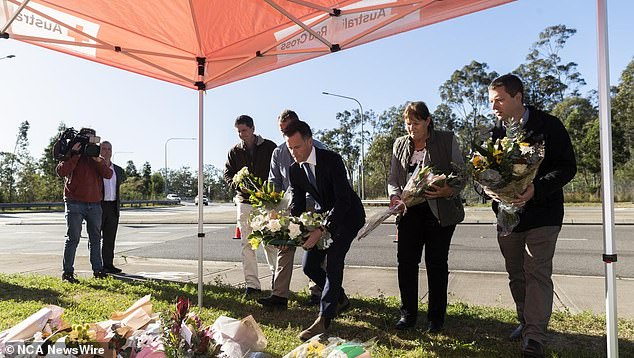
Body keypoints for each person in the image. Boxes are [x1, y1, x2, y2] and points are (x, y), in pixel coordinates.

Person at [488, 74, 577, 358]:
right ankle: (525, 321)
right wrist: (489, 189)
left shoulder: (549, 126)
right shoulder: (495, 133)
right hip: (508, 218)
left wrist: (535, 189)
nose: (494, 107)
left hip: (543, 215)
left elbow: (567, 167)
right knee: (516, 273)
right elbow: (486, 172)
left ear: (518, 96)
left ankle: (535, 337)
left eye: (499, 100)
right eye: (491, 102)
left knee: (537, 271)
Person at [387, 101, 466, 333]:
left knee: (437, 265)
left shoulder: (446, 139)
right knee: (406, 263)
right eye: (408, 124)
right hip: (409, 212)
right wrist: (395, 197)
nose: (411, 128)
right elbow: (393, 178)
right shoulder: (399, 144)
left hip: (439, 212)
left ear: (428, 121)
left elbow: (461, 175)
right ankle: (408, 314)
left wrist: (448, 190)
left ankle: (435, 318)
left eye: (416, 123)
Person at [284, 120, 365, 340]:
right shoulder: (294, 170)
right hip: (322, 218)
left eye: (297, 147)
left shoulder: (332, 160)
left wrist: (323, 228)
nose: (293, 153)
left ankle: (324, 318)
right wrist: (288, 229)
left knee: (334, 260)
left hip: (348, 216)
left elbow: (342, 200)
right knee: (309, 266)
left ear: (309, 141)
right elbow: (298, 204)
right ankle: (340, 298)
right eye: (290, 148)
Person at [258, 109, 325, 309]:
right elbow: (274, 183)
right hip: (289, 207)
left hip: (314, 205)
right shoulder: (278, 153)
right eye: (282, 130)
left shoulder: (318, 148)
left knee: (314, 247)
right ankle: (279, 295)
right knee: (283, 248)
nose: (285, 133)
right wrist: (273, 210)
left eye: (288, 128)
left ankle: (318, 292)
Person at [224, 114, 278, 296]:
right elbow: (228, 174)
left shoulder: (270, 147)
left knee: (270, 243)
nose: (241, 134)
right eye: (238, 131)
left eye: (244, 130)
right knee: (247, 244)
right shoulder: (234, 152)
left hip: (267, 203)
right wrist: (238, 184)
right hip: (245, 203)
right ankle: (252, 286)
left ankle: (278, 282)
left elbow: (278, 171)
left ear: (253, 128)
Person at [56, 128, 113, 283]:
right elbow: (61, 171)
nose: (89, 143)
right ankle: (68, 272)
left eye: (92, 140)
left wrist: (97, 159)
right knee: (73, 238)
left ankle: (98, 270)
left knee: (95, 238)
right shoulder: (72, 152)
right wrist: (74, 154)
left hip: (94, 203)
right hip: (74, 202)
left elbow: (108, 174)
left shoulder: (96, 156)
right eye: (86, 139)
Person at [99, 141, 126, 274]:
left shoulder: (118, 170)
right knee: (95, 238)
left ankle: (108, 264)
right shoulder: (95, 167)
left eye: (109, 149)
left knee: (110, 239)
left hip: (113, 207)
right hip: (98, 206)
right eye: (103, 148)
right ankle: (97, 265)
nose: (106, 151)